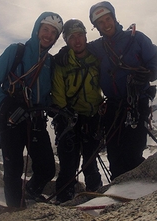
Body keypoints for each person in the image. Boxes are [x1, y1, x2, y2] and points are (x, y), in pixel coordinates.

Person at [0, 12, 63, 207]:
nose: (48, 35)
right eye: (45, 29)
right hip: (11, 119)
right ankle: (15, 211)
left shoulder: (49, 62)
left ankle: (29, 193)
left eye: (53, 32)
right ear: (37, 29)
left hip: (35, 119)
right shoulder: (16, 51)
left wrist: (52, 104)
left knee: (46, 168)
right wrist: (6, 103)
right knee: (13, 169)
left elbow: (44, 93)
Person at [87, 1, 157, 180]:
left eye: (108, 19)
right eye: (101, 22)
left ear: (114, 18)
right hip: (113, 107)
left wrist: (151, 73)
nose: (106, 25)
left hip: (136, 103)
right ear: (96, 27)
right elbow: (79, 50)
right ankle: (122, 190)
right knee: (115, 155)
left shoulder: (136, 39)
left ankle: (136, 192)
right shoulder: (97, 47)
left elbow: (153, 58)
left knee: (133, 152)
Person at [51, 19, 103, 203]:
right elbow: (58, 94)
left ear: (86, 36)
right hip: (68, 119)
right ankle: (64, 199)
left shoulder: (96, 57)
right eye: (72, 37)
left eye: (80, 35)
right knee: (68, 164)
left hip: (92, 117)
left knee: (90, 161)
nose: (77, 40)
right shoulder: (61, 63)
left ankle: (96, 197)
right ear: (66, 40)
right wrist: (65, 116)